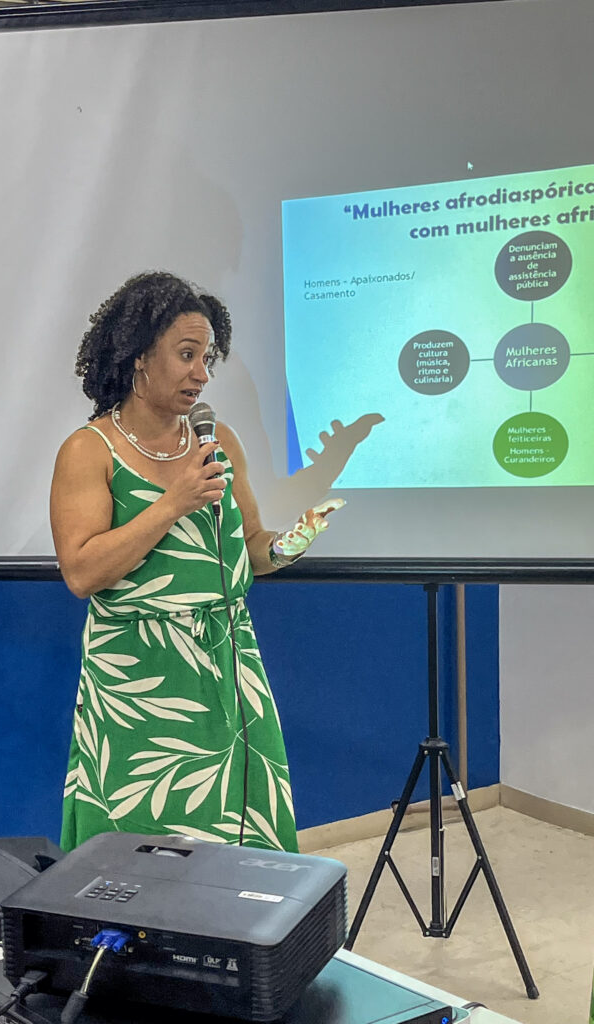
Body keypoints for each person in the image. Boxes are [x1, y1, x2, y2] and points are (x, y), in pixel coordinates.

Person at [51, 271, 370, 854]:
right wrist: (173, 503)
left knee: (242, 832)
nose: (201, 373)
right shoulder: (88, 450)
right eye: (186, 355)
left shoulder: (217, 439)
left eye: (207, 358)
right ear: (140, 356)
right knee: (136, 843)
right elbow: (81, 572)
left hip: (227, 660)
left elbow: (250, 547)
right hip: (138, 675)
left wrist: (292, 541)